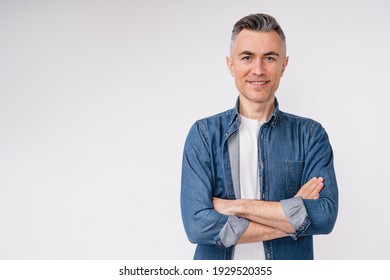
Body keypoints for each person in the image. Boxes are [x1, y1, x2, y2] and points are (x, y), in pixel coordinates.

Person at [180, 13, 338, 260]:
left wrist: (239, 206)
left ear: (283, 65)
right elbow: (197, 225)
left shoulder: (310, 135)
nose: (258, 69)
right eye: (247, 57)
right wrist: (291, 218)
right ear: (231, 65)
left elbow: (324, 217)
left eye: (269, 58)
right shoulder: (203, 135)